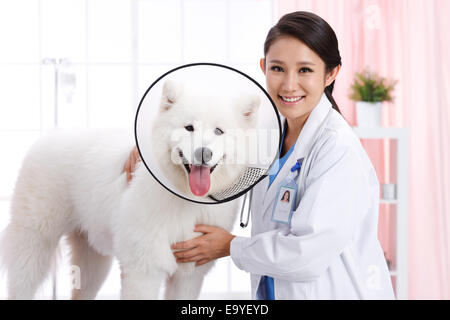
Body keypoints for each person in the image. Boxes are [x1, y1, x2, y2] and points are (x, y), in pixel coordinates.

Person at [124, 11, 395, 299]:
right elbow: (215, 146)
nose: (289, 85)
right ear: (264, 67)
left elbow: (307, 254)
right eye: (278, 68)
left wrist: (229, 246)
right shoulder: (267, 135)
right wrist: (150, 146)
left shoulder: (338, 150)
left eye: (305, 70)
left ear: (331, 74)